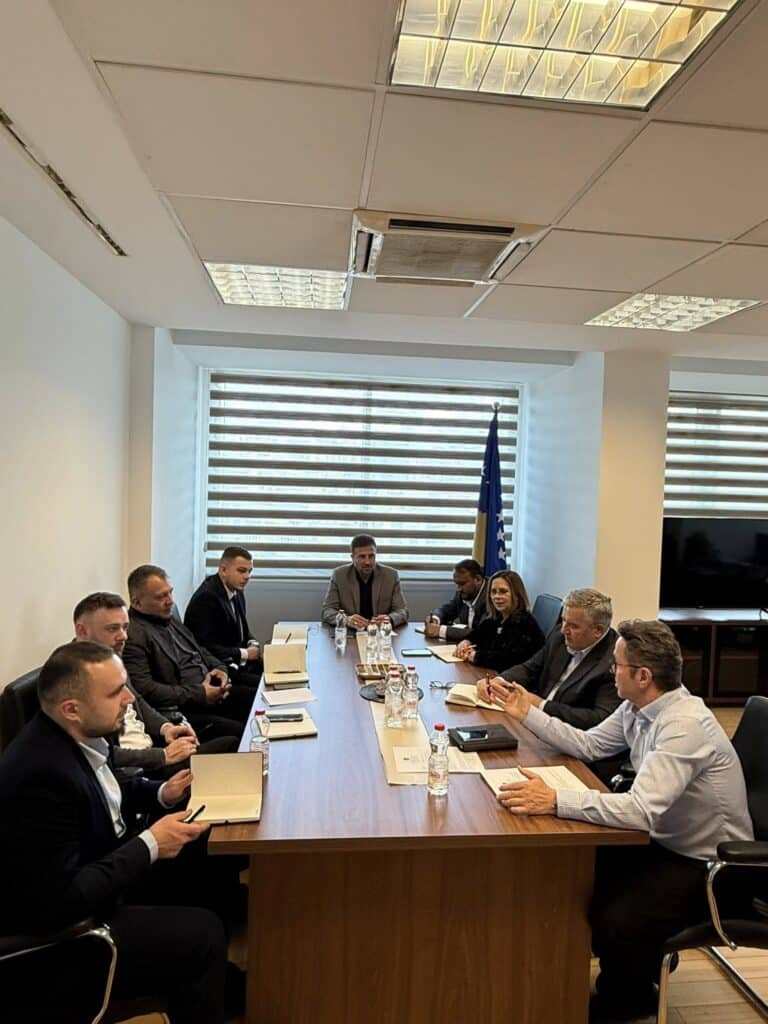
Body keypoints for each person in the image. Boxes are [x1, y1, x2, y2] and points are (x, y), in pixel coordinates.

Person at [489, 620, 754, 1024]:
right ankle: (637, 961)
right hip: (666, 844)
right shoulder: (638, 707)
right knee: (575, 873)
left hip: (713, 868)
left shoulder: (683, 727)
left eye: (617, 665)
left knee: (616, 916)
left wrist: (556, 800)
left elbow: (641, 811)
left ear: (643, 676)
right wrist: (529, 713)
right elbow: (590, 744)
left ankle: (630, 997)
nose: (611, 671)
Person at [0, 642, 235, 1024]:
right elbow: (62, 900)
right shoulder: (39, 776)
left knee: (204, 850)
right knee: (203, 935)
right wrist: (150, 844)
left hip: (105, 866)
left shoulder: (81, 732)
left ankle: (222, 982)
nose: (129, 698)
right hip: (71, 934)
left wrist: (161, 792)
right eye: (115, 692)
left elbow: (107, 785)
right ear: (71, 708)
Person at [74, 591, 237, 772]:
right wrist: (162, 756)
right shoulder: (73, 676)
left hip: (151, 749)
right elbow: (101, 752)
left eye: (125, 627)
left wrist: (165, 728)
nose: (123, 636)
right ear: (82, 631)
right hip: (137, 769)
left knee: (233, 744)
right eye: (113, 629)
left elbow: (138, 701)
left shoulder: (111, 656)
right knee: (232, 747)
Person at [123, 564, 252, 737]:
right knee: (245, 733)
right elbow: (146, 689)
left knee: (259, 700)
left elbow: (200, 650)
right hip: (187, 708)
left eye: (170, 592)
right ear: (137, 602)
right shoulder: (133, 635)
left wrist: (220, 669)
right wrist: (200, 694)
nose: (170, 601)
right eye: (161, 597)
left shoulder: (167, 617)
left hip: (212, 691)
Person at [478, 588, 620, 730]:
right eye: (564, 620)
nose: (564, 630)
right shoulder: (559, 636)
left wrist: (540, 704)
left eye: (574, 626)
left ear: (598, 630)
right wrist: (499, 681)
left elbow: (598, 719)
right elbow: (530, 668)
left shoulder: (615, 662)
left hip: (567, 733)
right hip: (532, 720)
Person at [184, 545, 262, 682]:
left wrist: (253, 643)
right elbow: (203, 646)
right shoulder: (207, 598)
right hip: (220, 668)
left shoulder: (237, 591)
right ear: (223, 570)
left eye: (250, 571)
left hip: (239, 662)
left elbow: (242, 630)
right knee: (266, 687)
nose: (247, 576)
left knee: (280, 672)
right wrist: (245, 653)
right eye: (241, 571)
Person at [453, 570, 544, 673]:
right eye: (493, 592)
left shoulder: (524, 623)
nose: (497, 596)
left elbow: (509, 659)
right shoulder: (496, 618)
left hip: (517, 679)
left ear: (517, 595)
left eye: (503, 591)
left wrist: (475, 656)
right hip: (494, 674)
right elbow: (477, 635)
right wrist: (466, 642)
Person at [321, 534, 408, 629]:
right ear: (352, 557)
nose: (368, 562)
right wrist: (346, 620)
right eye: (362, 557)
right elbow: (327, 611)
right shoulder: (339, 575)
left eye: (371, 556)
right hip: (351, 631)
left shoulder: (391, 575)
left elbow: (402, 611)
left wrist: (389, 619)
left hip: (380, 632)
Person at [425, 558, 488, 641]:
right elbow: (447, 609)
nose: (458, 589)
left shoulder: (492, 598)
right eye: (457, 584)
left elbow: (481, 634)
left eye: (462, 584)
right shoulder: (463, 593)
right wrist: (435, 619)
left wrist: (440, 630)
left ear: (478, 579)